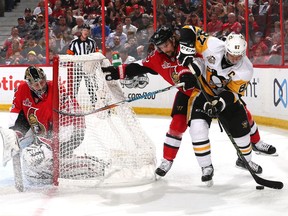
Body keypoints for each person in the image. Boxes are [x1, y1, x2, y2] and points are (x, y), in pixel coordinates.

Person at [102, 26, 277, 183]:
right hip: (189, 94)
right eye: (160, 46)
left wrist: (191, 71)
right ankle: (168, 161)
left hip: (207, 89)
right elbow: (141, 66)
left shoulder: (191, 47)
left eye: (166, 45)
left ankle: (254, 145)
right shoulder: (159, 57)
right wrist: (116, 72)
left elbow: (197, 51)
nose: (163, 49)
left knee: (241, 113)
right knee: (178, 125)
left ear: (173, 39)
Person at [176, 26, 269, 183]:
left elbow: (233, 93)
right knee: (197, 129)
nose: (234, 59)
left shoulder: (246, 69)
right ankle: (206, 167)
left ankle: (245, 160)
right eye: (231, 55)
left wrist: (219, 104)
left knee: (242, 132)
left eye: (238, 57)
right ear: (225, 48)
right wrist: (185, 50)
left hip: (225, 98)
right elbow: (189, 29)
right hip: (203, 92)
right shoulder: (212, 45)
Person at [0, 66, 85, 184]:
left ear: (45, 78)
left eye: (42, 82)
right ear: (29, 84)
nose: (40, 87)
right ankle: (50, 160)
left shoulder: (57, 89)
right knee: (27, 149)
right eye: (36, 85)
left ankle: (62, 159)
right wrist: (15, 132)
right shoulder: (21, 90)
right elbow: (16, 112)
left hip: (69, 128)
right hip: (43, 129)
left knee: (51, 149)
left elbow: (71, 114)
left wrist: (56, 141)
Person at [67, 24, 98, 107]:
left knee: (90, 85)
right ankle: (72, 103)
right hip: (78, 68)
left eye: (88, 31)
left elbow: (96, 54)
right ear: (81, 31)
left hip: (89, 68)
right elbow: (70, 55)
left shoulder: (92, 42)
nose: (86, 32)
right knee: (75, 85)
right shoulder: (74, 43)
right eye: (84, 30)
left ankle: (94, 103)